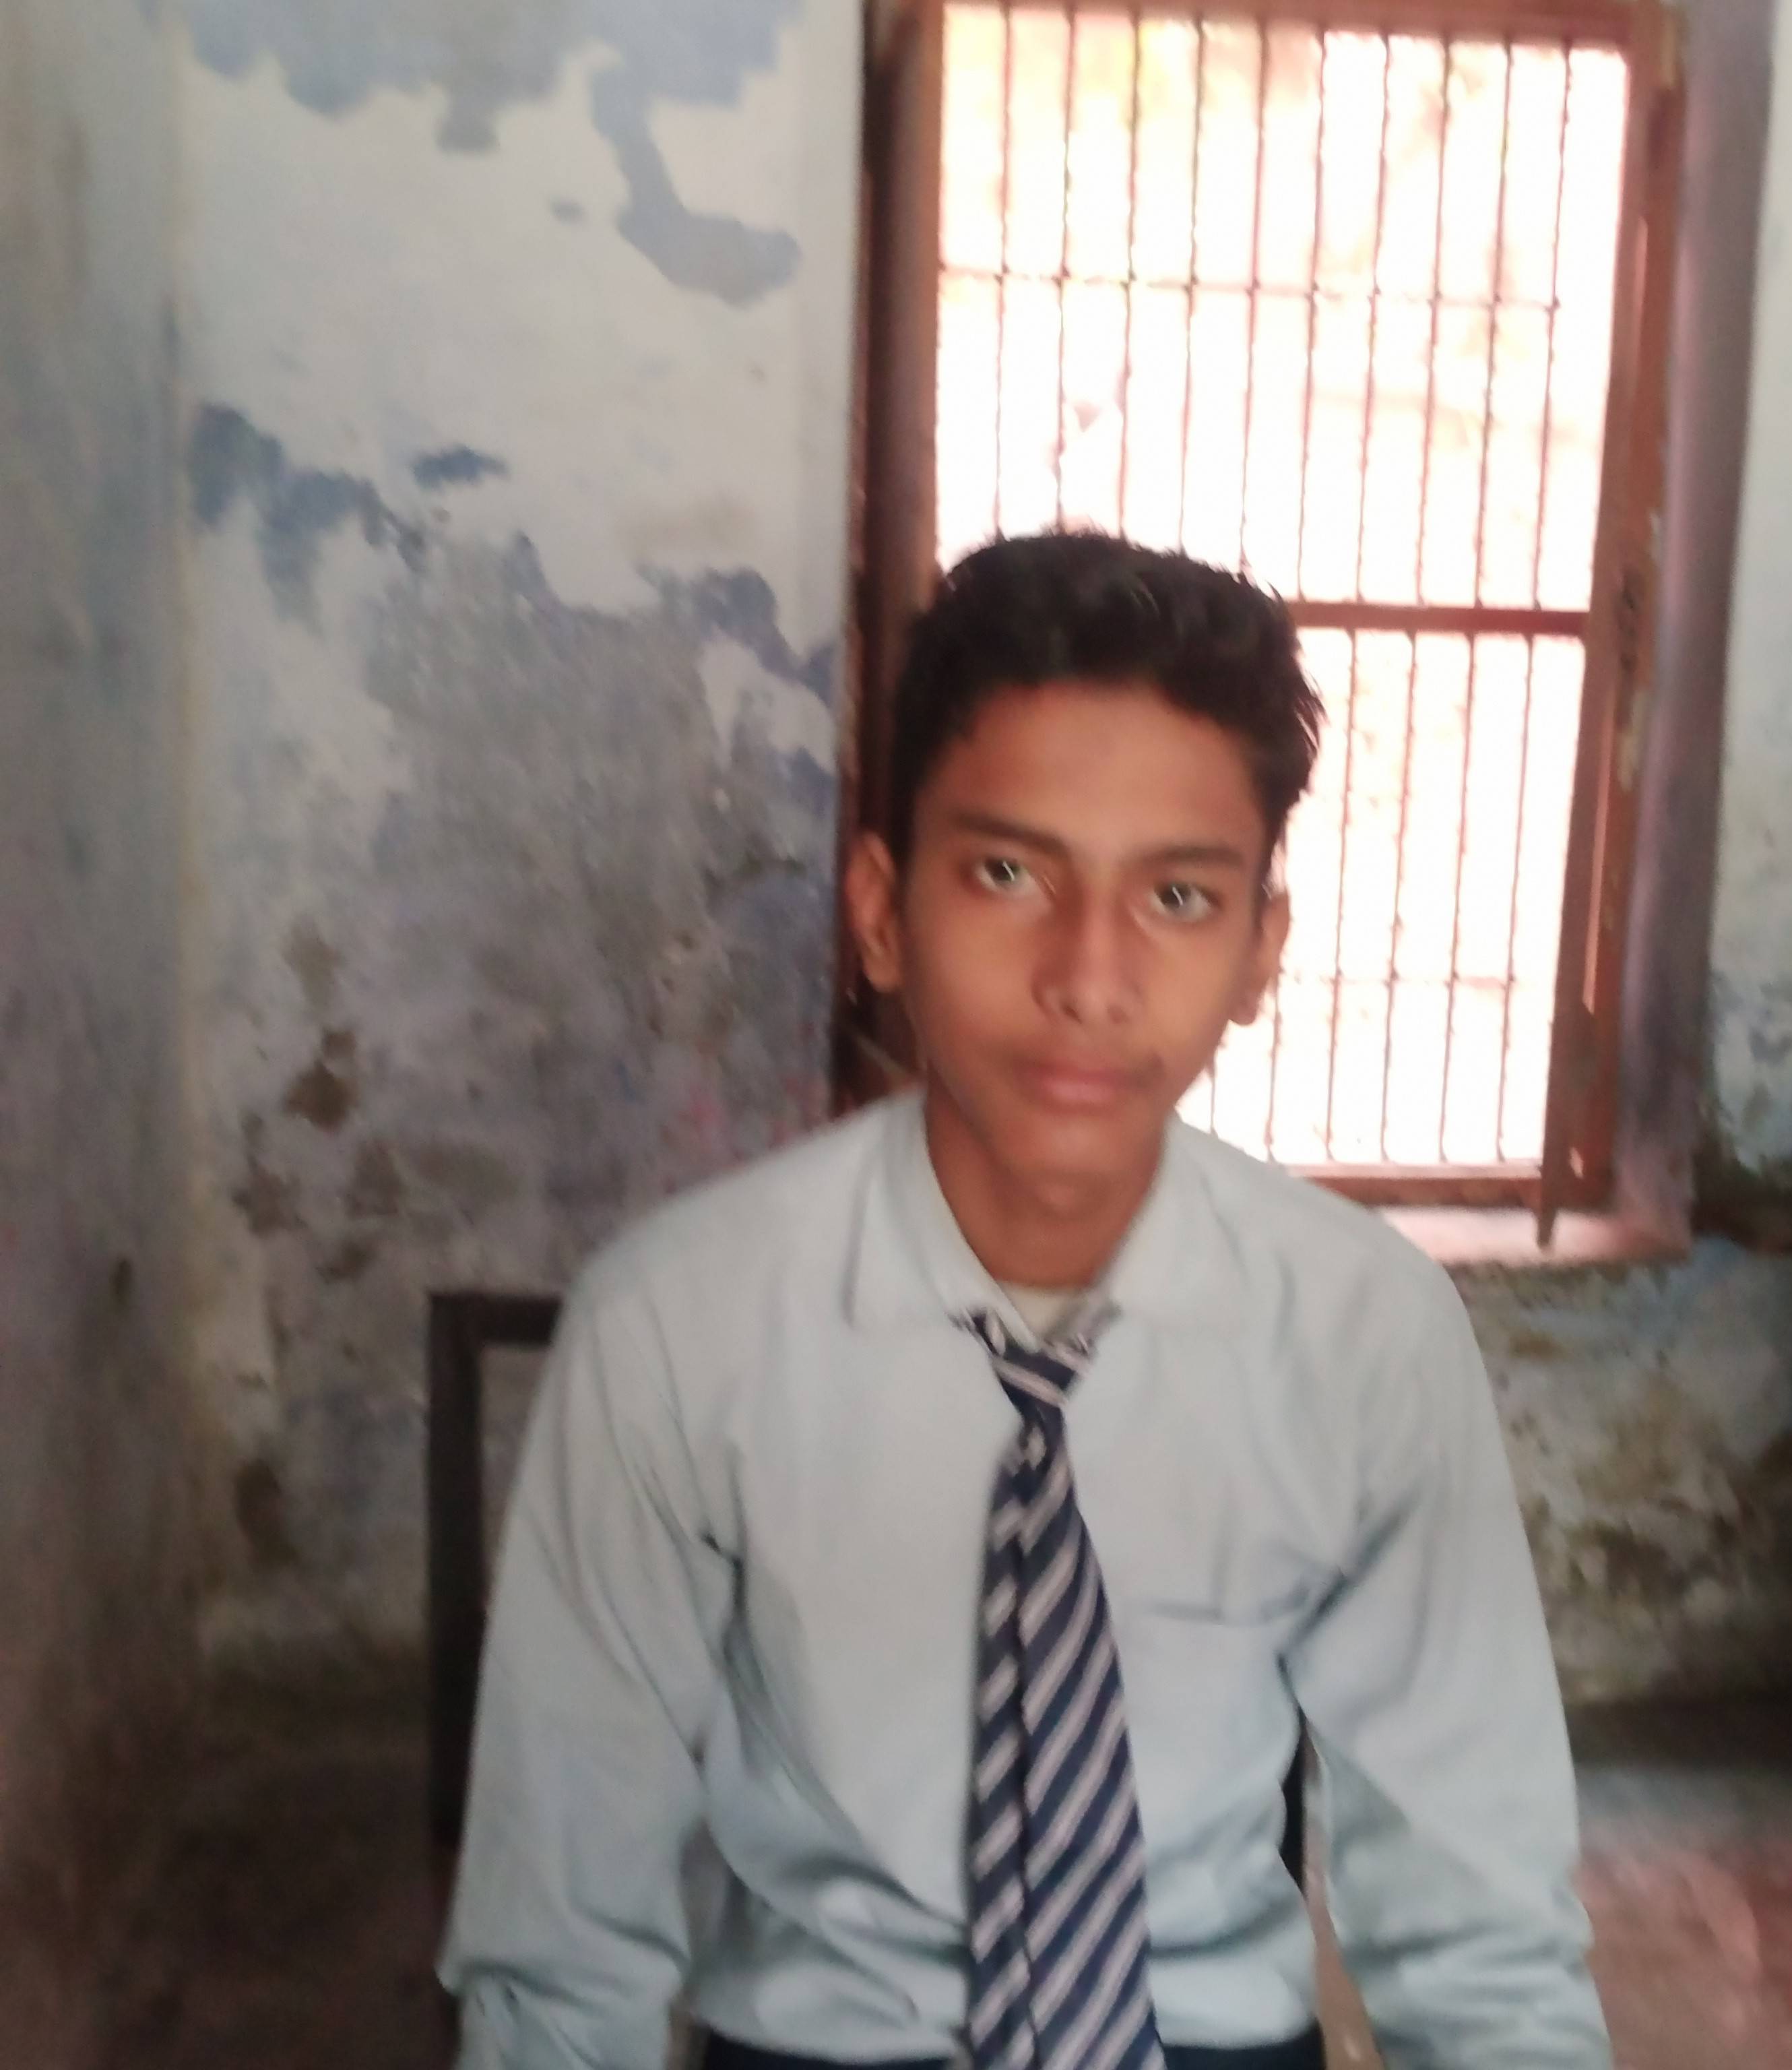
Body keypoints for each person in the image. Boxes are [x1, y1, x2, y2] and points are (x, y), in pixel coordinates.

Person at [440, 533, 1610, 2070]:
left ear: (1261, 952)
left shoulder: (1365, 1338)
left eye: (1178, 896)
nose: (1089, 978)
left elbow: (1485, 1936)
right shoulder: (677, 1333)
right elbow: (561, 1942)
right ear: (880, 911)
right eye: (1008, 874)